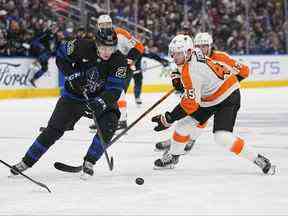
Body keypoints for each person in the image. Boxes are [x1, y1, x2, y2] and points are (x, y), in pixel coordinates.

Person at [10, 28, 128, 179]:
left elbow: (115, 89)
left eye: (111, 48)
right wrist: (71, 74)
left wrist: (99, 102)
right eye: (104, 47)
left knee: (110, 123)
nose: (107, 52)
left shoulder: (119, 61)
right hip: (73, 96)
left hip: (98, 97)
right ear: (96, 44)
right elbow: (60, 54)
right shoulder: (81, 46)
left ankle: (90, 162)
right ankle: (26, 162)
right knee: (53, 130)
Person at [151, 34, 276, 175]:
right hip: (209, 97)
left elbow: (190, 104)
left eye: (178, 54)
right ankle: (173, 157)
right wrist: (177, 77)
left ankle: (258, 159)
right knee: (183, 125)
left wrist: (169, 117)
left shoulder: (191, 71)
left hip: (228, 96)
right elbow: (183, 71)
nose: (174, 57)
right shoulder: (193, 54)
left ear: (188, 52)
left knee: (222, 137)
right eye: (173, 54)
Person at [155, 32, 249, 153]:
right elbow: (180, 69)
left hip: (221, 96)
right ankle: (181, 143)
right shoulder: (191, 55)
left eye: (205, 46)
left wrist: (225, 84)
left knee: (198, 115)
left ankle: (190, 139)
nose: (201, 49)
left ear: (210, 46)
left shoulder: (220, 58)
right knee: (190, 118)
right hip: (207, 95)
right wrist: (177, 78)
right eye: (198, 46)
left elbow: (244, 72)